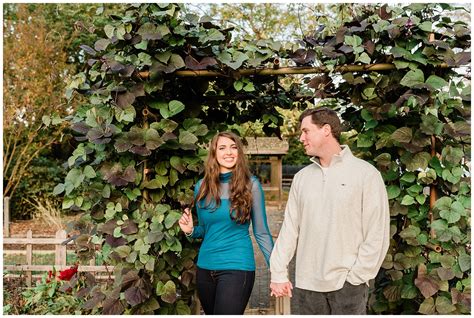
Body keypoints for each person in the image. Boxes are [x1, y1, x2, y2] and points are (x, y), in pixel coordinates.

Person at [269, 107, 390, 315]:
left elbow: (377, 233)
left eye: (306, 131)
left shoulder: (366, 174)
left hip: (347, 285)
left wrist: (356, 277)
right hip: (307, 285)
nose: (301, 138)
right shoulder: (302, 178)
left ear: (326, 130)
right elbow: (290, 229)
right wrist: (278, 272)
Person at [178, 131, 274, 315]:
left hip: (237, 267)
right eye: (222, 148)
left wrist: (277, 270)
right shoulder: (201, 186)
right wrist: (190, 230)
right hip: (205, 268)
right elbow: (205, 230)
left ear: (239, 152)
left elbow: (261, 232)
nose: (228, 152)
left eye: (233, 147)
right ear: (214, 153)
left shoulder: (251, 184)